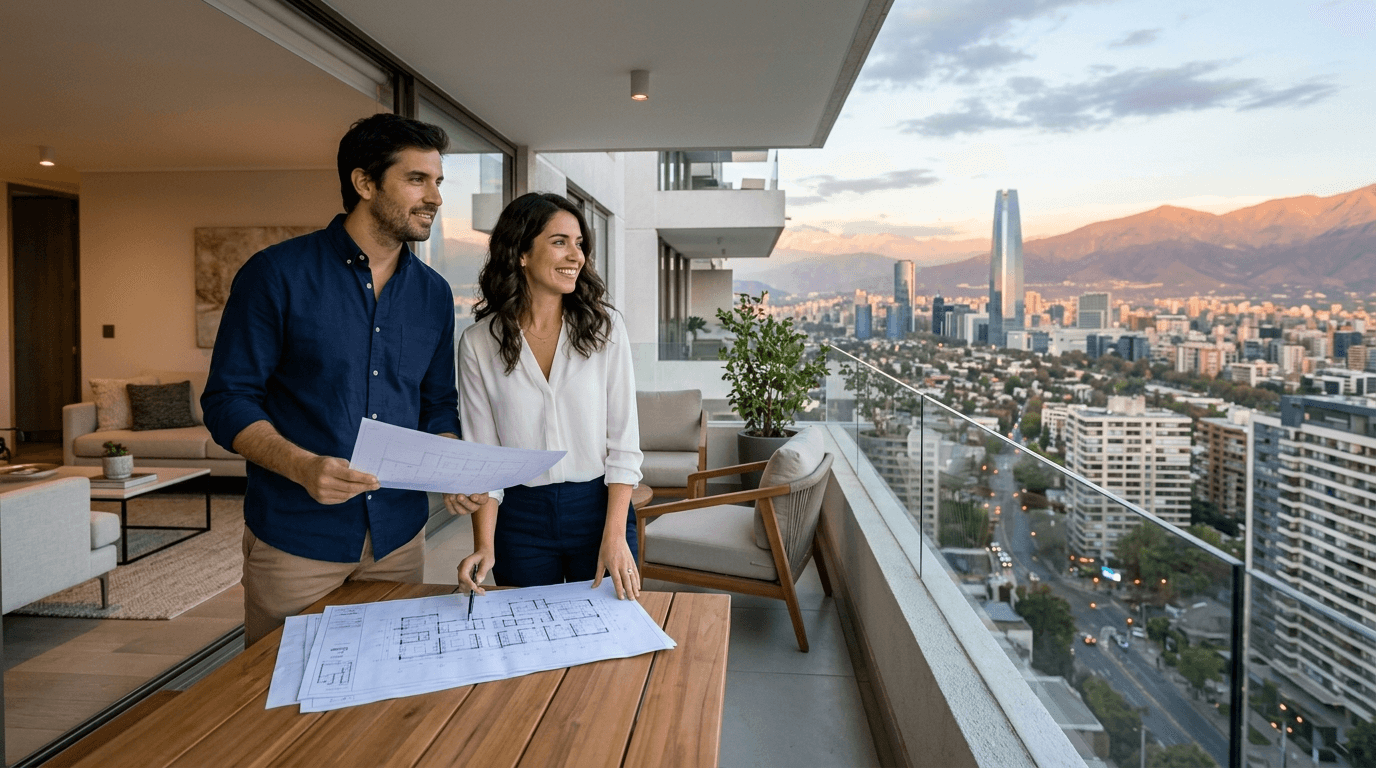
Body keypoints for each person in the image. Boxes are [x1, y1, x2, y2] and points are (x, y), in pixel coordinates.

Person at [202, 114, 487, 645]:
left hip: (400, 541)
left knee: (385, 696)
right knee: (278, 699)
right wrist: (302, 465)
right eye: (417, 180)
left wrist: (448, 457)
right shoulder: (275, 275)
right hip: (296, 538)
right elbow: (226, 400)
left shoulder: (432, 294)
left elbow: (437, 403)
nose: (436, 198)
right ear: (364, 183)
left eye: (438, 182)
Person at [455, 193, 643, 601]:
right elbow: (484, 455)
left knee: (605, 637)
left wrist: (614, 536)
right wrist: (484, 545)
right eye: (560, 241)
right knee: (526, 642)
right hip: (519, 519)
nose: (575, 255)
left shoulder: (605, 329)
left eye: (579, 244)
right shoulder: (477, 344)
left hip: (598, 509)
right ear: (521, 252)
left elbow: (624, 444)